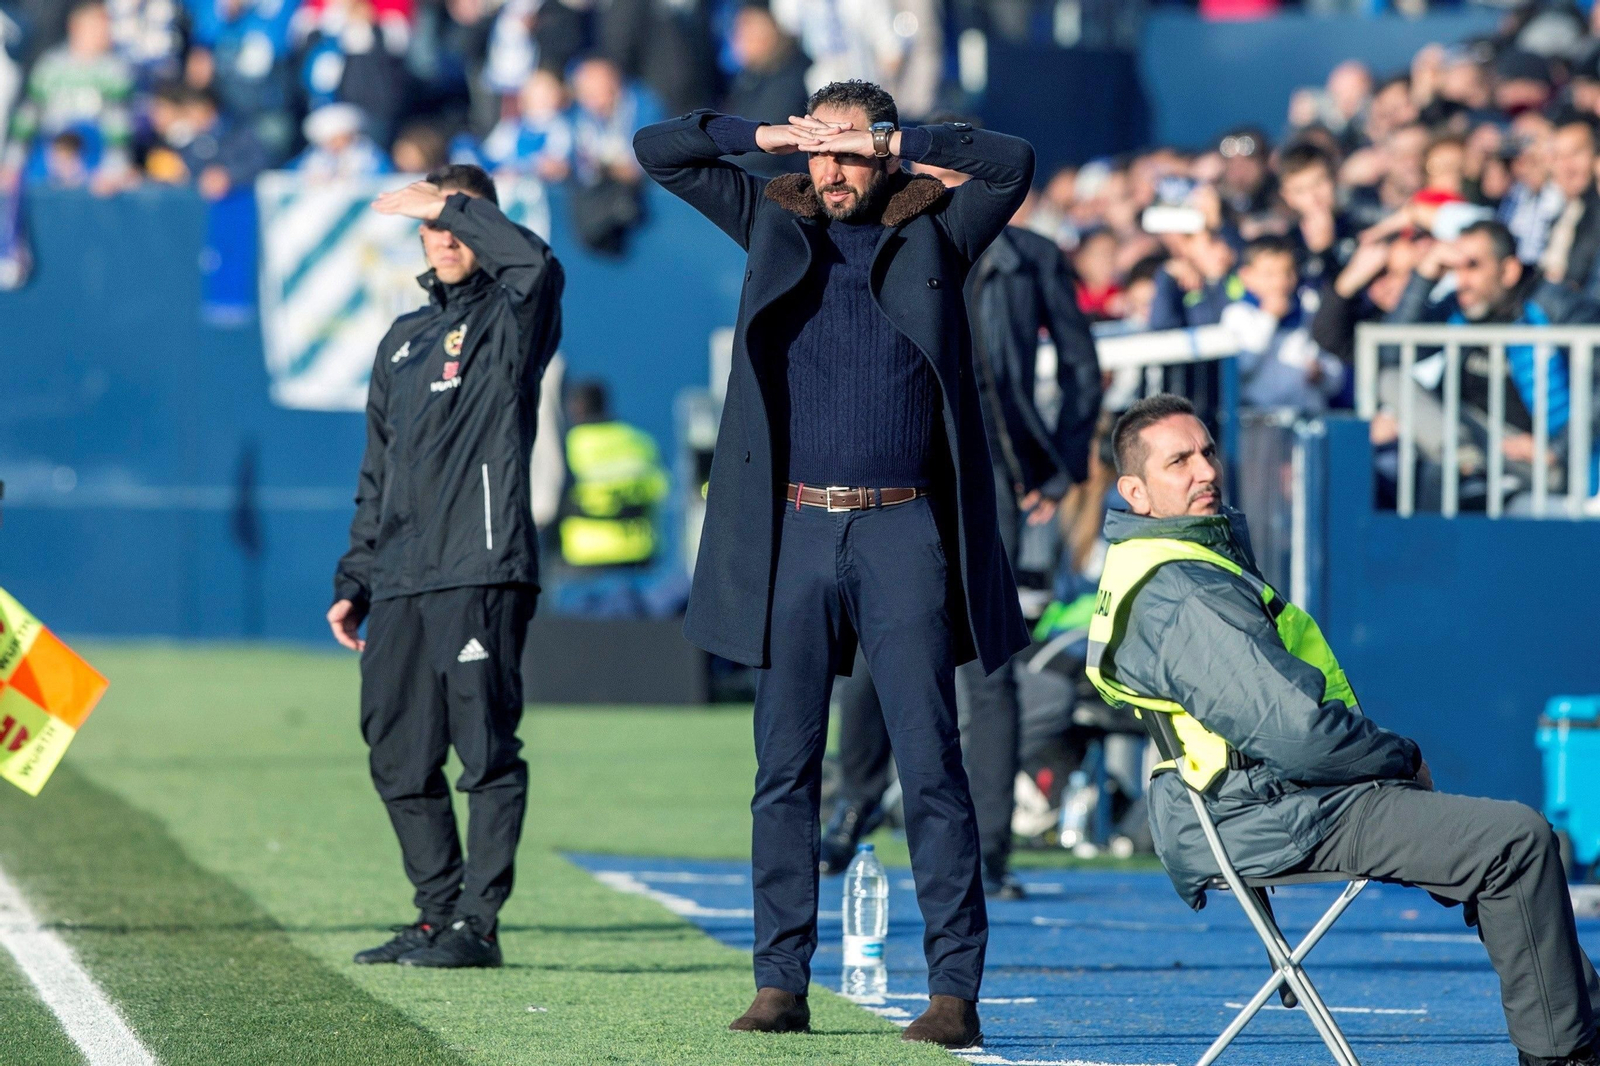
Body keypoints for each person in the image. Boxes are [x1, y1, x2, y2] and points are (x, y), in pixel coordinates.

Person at [634, 80, 1034, 1047]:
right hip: (797, 531)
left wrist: (907, 142)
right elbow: (660, 149)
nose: (831, 170)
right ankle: (780, 983)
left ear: (886, 153)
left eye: (850, 152)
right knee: (784, 767)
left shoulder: (939, 227)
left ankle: (952, 994)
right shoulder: (773, 213)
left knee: (931, 764)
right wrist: (766, 135)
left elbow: (1012, 163)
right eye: (818, 151)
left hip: (904, 530)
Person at [1087, 393, 1600, 1066]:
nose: (1204, 470)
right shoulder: (1183, 589)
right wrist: (1400, 756)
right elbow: (1295, 733)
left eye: (1207, 451)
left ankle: (1578, 1018)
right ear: (1137, 492)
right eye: (1178, 461)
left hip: (1257, 798)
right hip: (1264, 809)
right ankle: (1566, 1055)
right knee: (1515, 840)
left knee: (1495, 844)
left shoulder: (1175, 566)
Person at [824, 140, 1104, 899]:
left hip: (991, 477)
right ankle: (850, 801)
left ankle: (988, 855)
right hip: (899, 470)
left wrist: (1060, 465)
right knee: (878, 646)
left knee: (991, 665)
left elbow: (1081, 367)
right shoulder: (878, 238)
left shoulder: (1031, 256)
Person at [327, 163, 564, 969]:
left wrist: (455, 203)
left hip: (481, 569)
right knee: (396, 753)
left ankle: (478, 926)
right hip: (399, 579)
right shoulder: (401, 339)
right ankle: (435, 915)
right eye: (431, 226)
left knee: (486, 750)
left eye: (457, 223)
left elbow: (536, 264)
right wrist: (356, 576)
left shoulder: (511, 315)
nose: (445, 238)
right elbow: (377, 469)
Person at [1221, 235, 1345, 415]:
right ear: (1246, 276)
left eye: (1288, 272)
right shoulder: (1238, 314)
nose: (1280, 282)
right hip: (1259, 418)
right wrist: (1268, 318)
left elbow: (1334, 370)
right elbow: (1241, 367)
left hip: (1306, 416)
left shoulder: (1309, 309)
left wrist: (1323, 374)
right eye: (1270, 274)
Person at [557, 379, 669, 569]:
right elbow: (661, 490)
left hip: (584, 558)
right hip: (640, 555)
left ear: (576, 408)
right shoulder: (642, 442)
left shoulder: (567, 446)